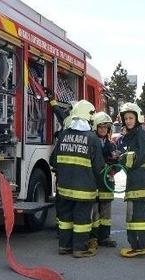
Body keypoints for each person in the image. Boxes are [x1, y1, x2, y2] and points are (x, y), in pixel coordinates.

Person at [49, 100, 105, 258]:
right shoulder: (92, 138)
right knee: (82, 220)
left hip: (64, 188)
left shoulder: (64, 134)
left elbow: (53, 160)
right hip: (84, 190)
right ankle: (79, 248)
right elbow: (99, 167)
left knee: (65, 218)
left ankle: (64, 246)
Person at [117, 102, 145, 257]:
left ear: (137, 118)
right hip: (144, 180)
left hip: (142, 181)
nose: (128, 120)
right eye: (126, 118)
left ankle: (139, 246)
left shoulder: (139, 134)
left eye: (130, 117)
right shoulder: (133, 134)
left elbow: (143, 156)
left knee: (137, 215)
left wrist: (125, 158)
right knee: (144, 213)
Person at [91, 111, 118, 248]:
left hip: (107, 183)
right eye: (100, 127)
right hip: (94, 182)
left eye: (105, 127)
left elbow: (118, 164)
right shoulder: (91, 142)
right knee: (94, 212)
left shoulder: (112, 145)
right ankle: (93, 237)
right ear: (95, 127)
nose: (103, 130)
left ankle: (104, 237)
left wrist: (114, 168)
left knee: (106, 212)